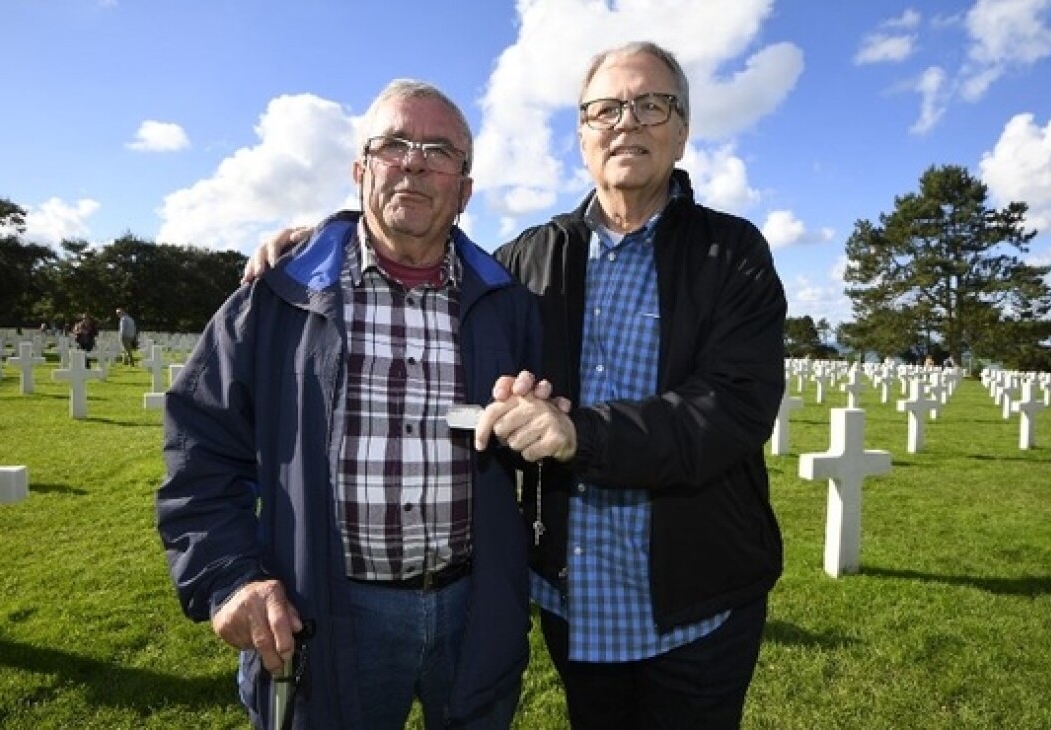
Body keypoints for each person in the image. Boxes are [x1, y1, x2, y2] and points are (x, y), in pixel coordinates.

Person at [247, 42, 787, 730]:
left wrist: (580, 435)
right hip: (576, 602)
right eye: (606, 109)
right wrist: (327, 238)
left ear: (682, 132)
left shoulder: (732, 253)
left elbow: (733, 408)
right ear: (582, 137)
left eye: (652, 106)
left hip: (696, 601)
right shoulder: (529, 258)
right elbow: (427, 248)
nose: (627, 122)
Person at [157, 79, 541, 730]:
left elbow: (556, 437)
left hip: (474, 608)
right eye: (393, 144)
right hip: (327, 612)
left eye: (439, 150)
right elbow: (201, 452)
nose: (414, 161)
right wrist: (230, 577)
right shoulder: (277, 299)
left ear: (465, 188)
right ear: (360, 169)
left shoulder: (511, 308)